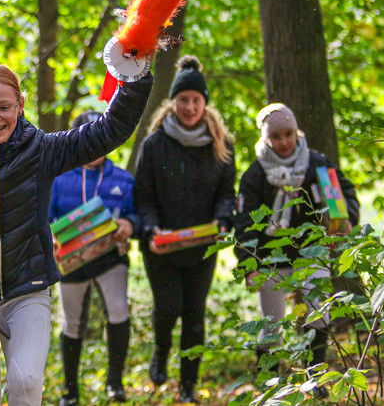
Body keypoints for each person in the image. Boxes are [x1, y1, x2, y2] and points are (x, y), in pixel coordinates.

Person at [0, 62, 152, 406]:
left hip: (27, 291)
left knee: (26, 382)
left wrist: (135, 76)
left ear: (20, 105)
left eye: (4, 107)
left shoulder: (42, 150)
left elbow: (110, 130)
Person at [233, 102, 359, 398]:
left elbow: (344, 195)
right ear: (266, 139)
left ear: (296, 131)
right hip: (270, 260)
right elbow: (244, 223)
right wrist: (249, 264)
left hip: (312, 253)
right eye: (276, 136)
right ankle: (268, 385)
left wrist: (347, 219)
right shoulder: (255, 175)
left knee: (319, 314)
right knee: (272, 323)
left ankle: (315, 378)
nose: (284, 141)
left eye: (288, 133)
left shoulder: (317, 165)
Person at [133, 56, 236, 403]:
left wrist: (224, 220)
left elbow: (226, 193)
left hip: (202, 247)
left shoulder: (221, 144)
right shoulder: (154, 144)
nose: (190, 106)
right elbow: (142, 196)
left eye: (196, 100)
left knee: (194, 316)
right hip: (161, 245)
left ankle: (188, 386)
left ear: (205, 102)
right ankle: (161, 352)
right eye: (183, 100)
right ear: (173, 103)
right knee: (169, 308)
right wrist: (151, 230)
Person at [48, 110, 142, 405]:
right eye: (88, 139)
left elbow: (136, 216)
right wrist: (51, 235)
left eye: (101, 139)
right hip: (71, 262)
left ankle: (115, 382)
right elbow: (45, 217)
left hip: (111, 259)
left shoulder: (123, 178)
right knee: (72, 322)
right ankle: (70, 390)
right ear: (76, 141)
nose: (95, 146)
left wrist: (130, 225)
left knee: (118, 311)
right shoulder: (59, 178)